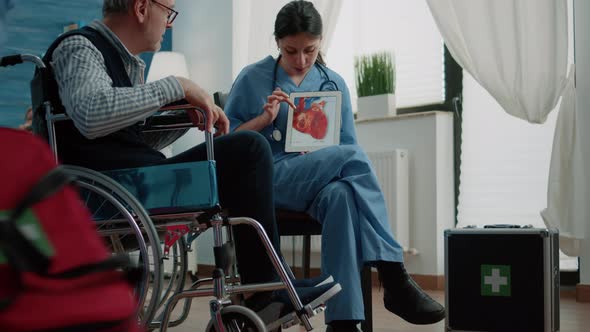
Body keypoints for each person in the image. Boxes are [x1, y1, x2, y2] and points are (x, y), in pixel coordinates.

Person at [44, 0, 339, 317]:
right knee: (248, 150)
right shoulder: (79, 46)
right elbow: (92, 115)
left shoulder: (123, 62)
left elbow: (124, 137)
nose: (169, 23)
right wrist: (177, 85)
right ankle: (266, 290)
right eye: (168, 11)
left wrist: (184, 120)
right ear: (142, 7)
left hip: (131, 183)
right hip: (112, 192)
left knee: (245, 152)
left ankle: (270, 287)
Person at [224, 1, 446, 330]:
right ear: (277, 43)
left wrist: (318, 156)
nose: (300, 61)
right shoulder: (251, 78)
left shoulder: (334, 84)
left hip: (318, 183)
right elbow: (228, 145)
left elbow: (345, 145)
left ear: (321, 43)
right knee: (353, 158)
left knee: (342, 194)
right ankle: (393, 273)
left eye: (309, 51)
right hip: (267, 181)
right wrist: (263, 118)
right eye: (291, 51)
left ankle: (343, 322)